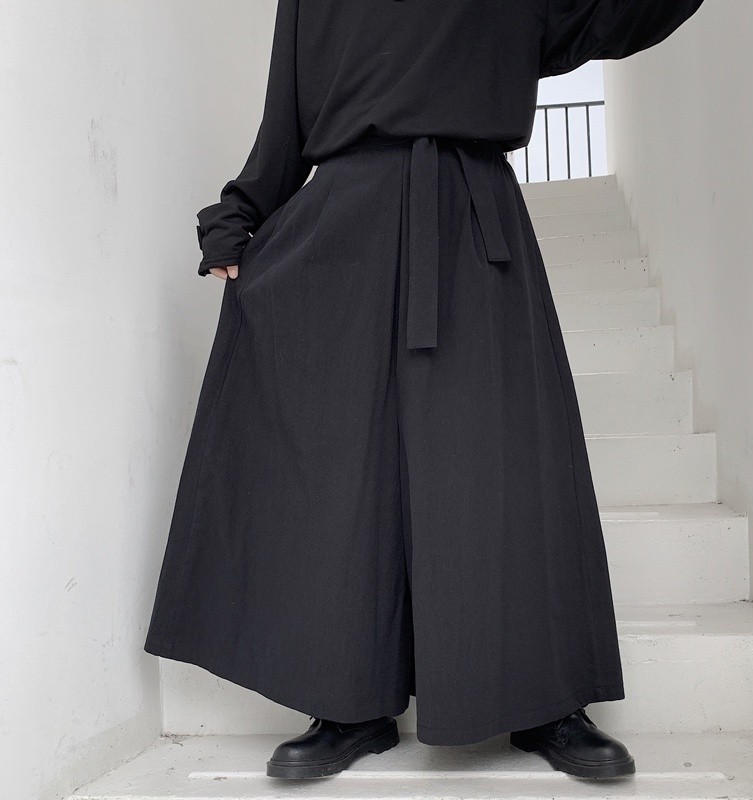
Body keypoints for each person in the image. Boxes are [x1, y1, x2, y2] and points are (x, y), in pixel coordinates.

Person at [143, 0, 707, 781]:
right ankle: (348, 703)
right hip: (345, 224)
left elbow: (613, 16)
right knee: (344, 476)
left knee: (501, 466)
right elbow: (287, 117)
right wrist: (240, 214)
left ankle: (543, 699)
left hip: (473, 216)